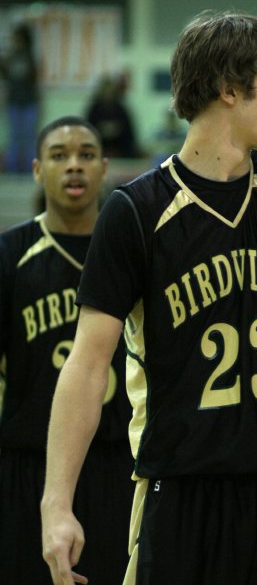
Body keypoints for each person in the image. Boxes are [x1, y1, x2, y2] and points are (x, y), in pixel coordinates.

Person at [41, 11, 257, 585]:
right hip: (181, 493)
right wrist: (56, 504)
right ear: (229, 89)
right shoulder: (135, 211)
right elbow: (86, 364)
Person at [0, 116, 134, 584]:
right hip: (29, 467)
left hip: (121, 464)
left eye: (85, 155)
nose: (73, 166)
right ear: (37, 170)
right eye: (59, 156)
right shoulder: (10, 255)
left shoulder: (136, 254)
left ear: (104, 169)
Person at [0, 22, 40, 172]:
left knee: (29, 139)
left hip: (28, 102)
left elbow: (34, 80)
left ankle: (30, 170)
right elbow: (5, 75)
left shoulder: (30, 56)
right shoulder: (11, 56)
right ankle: (12, 169)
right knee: (13, 138)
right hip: (14, 102)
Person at [86, 74, 140, 158]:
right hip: (100, 145)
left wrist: (116, 129)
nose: (108, 93)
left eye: (111, 90)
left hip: (119, 147)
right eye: (106, 90)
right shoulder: (95, 108)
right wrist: (102, 129)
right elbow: (89, 127)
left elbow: (128, 131)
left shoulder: (120, 108)